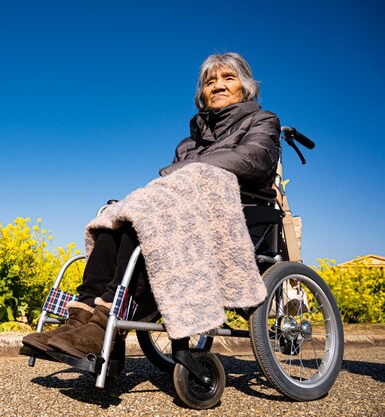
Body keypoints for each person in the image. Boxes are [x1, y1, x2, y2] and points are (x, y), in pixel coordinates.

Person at [22, 52, 281, 359]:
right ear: (201, 94)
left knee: (147, 217)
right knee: (114, 218)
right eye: (210, 81)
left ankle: (106, 325)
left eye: (228, 78)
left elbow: (255, 159)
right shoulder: (188, 144)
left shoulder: (263, 121)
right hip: (185, 217)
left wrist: (187, 170)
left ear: (245, 88)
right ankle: (82, 318)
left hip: (233, 212)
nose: (219, 86)